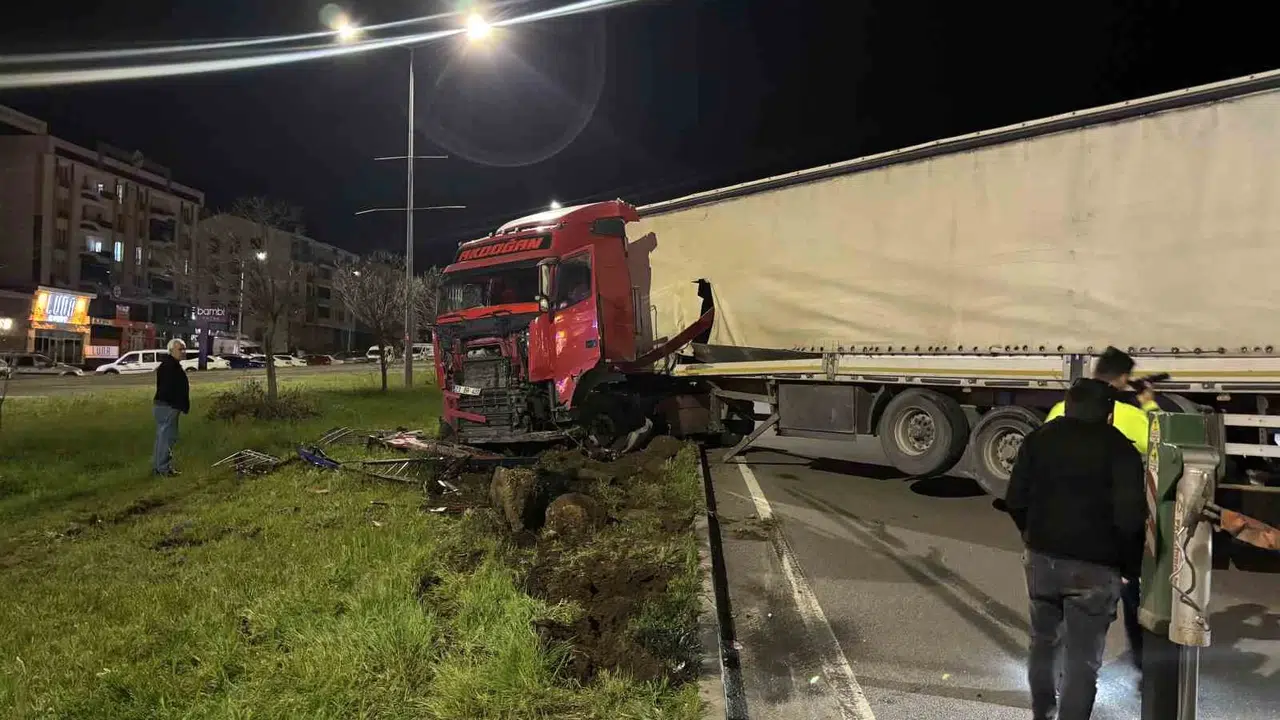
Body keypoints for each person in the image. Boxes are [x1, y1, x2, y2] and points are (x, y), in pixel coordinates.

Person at [1006, 378, 1146, 720]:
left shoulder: (1039, 440)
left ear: (1067, 405)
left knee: (1043, 642)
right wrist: (1130, 568)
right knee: (1082, 660)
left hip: (1042, 559)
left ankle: (1043, 711)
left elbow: (1014, 500)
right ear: (1109, 413)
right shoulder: (1121, 451)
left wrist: (1030, 534)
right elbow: (1130, 521)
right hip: (1095, 568)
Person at [1045, 346, 1157, 670]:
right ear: (1122, 379)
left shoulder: (1057, 410)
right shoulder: (1130, 417)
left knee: (1069, 603)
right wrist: (1148, 400)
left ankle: (1064, 667)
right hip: (1109, 532)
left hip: (1065, 526)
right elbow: (1166, 441)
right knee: (1132, 596)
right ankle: (1143, 665)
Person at [153, 338, 190, 477]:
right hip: (168, 406)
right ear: (171, 350)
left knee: (162, 437)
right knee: (167, 437)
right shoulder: (170, 366)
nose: (183, 352)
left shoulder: (171, 365)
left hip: (165, 405)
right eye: (180, 349)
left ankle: (159, 468)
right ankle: (163, 469)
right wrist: (177, 404)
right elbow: (170, 388)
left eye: (184, 349)